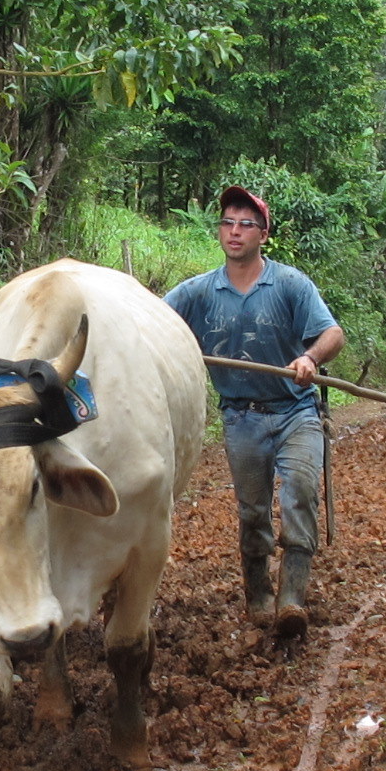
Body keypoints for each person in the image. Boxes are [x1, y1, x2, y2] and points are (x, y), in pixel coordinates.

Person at [164, 186, 344, 639]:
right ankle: (259, 593)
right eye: (228, 222)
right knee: (252, 510)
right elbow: (156, 320)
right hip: (241, 417)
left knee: (300, 492)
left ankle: (292, 597)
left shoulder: (289, 284)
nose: (235, 231)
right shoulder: (199, 292)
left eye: (246, 224)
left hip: (295, 411)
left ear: (263, 234)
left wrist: (310, 358)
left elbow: (332, 334)